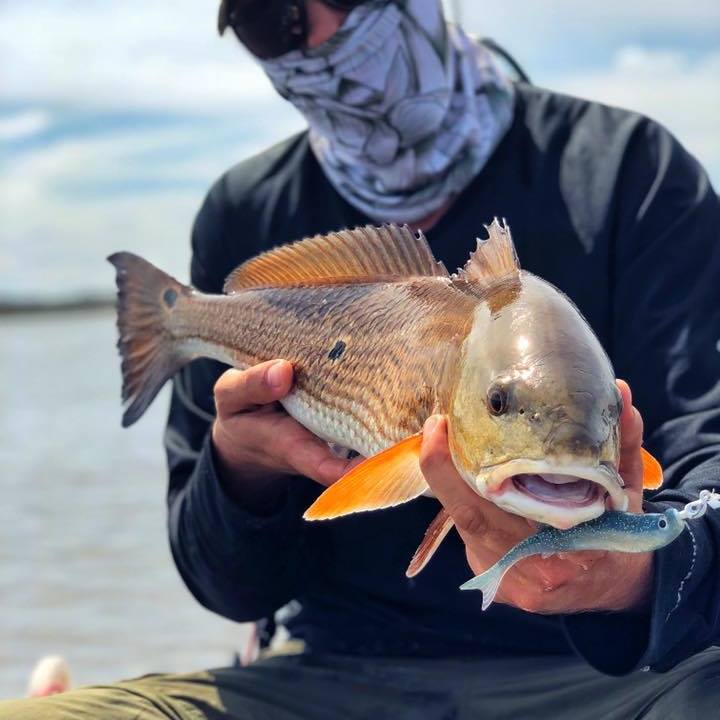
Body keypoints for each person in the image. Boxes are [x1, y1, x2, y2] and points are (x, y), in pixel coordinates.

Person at [3, 0, 719, 717]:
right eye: (268, 17)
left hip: (610, 682)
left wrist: (635, 576)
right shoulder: (244, 212)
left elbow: (707, 453)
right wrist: (239, 469)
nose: (324, 40)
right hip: (326, 673)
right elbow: (224, 590)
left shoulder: (632, 172)